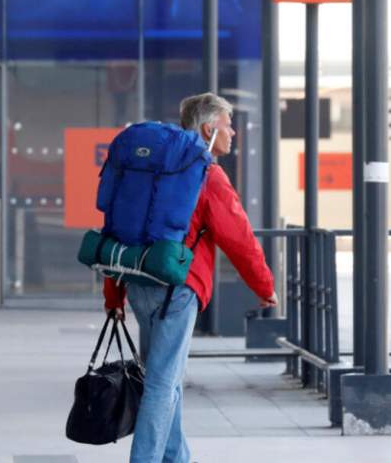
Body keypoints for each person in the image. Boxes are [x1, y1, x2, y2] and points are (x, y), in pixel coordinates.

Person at [103, 92, 277, 463]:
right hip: (177, 290)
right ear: (209, 128)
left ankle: (176, 458)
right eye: (229, 125)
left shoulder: (151, 169)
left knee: (164, 375)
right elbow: (239, 237)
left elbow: (118, 227)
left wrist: (113, 294)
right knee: (162, 383)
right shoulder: (206, 173)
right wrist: (264, 286)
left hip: (138, 281)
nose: (233, 133)